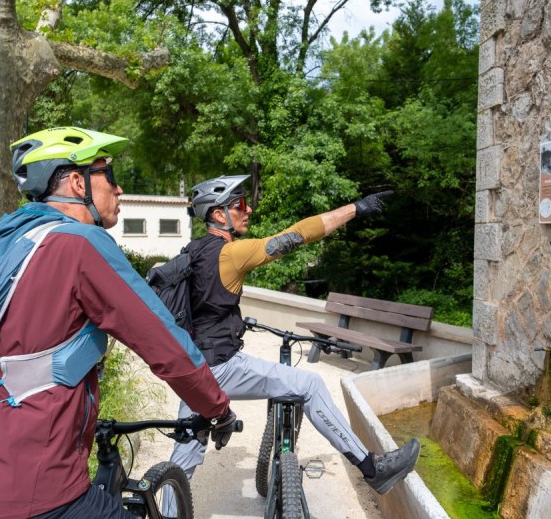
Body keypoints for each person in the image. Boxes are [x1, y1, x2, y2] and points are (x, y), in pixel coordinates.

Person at [0, 127, 237, 519]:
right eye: (110, 175)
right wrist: (217, 408)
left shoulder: (0, 240)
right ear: (76, 182)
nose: (119, 190)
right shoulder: (82, 244)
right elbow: (165, 343)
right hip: (32, 495)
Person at [166, 174, 420, 506]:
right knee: (311, 384)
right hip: (222, 366)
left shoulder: (192, 251)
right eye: (240, 204)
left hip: (195, 369)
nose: (249, 209)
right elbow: (296, 236)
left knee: (183, 459)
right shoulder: (230, 254)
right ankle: (374, 468)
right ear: (218, 215)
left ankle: (162, 512)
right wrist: (354, 209)